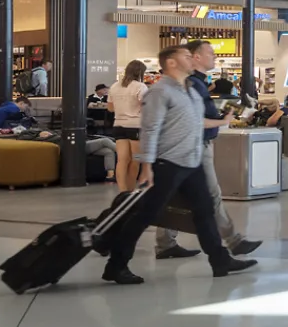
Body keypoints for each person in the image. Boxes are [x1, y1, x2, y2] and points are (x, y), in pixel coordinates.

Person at [97, 45, 257, 285]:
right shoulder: (160, 92)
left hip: (190, 162)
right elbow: (150, 129)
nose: (190, 58)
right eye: (185, 56)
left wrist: (223, 120)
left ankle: (220, 259)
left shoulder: (190, 90)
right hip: (167, 163)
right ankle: (116, 265)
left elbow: (196, 120)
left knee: (204, 211)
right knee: (145, 214)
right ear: (171, 63)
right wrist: (147, 166)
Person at [154, 41, 259, 262]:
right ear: (196, 57)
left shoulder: (197, 85)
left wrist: (226, 116)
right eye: (210, 53)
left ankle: (165, 243)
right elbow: (193, 119)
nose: (214, 57)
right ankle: (233, 242)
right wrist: (222, 122)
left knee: (174, 196)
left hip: (191, 147)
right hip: (195, 147)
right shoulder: (187, 85)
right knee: (210, 196)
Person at [108, 61, 149, 194]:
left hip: (118, 125)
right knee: (136, 159)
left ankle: (122, 191)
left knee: (122, 160)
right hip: (135, 126)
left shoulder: (114, 86)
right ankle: (131, 190)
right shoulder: (140, 87)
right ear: (140, 72)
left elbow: (110, 108)